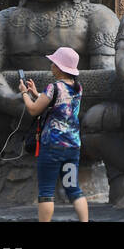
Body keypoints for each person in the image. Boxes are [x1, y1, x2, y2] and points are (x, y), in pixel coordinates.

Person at [18, 46, 88, 223]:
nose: (51, 66)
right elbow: (59, 103)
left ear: (60, 67)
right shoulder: (78, 88)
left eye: (54, 63)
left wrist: (25, 94)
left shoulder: (53, 87)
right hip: (72, 147)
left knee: (46, 191)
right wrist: (36, 93)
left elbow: (34, 110)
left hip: (52, 147)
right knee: (73, 188)